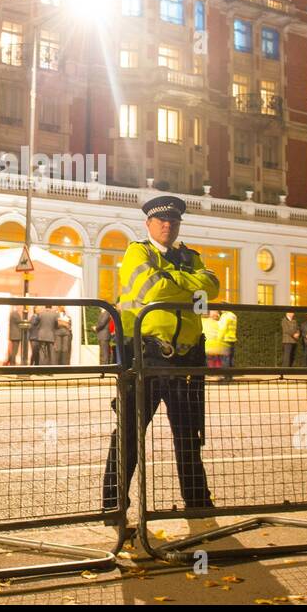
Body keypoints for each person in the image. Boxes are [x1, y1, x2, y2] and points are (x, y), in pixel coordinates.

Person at [103, 195, 217, 532]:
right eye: (161, 220)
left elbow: (209, 292)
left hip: (186, 357)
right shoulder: (138, 252)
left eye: (173, 220)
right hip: (147, 356)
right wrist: (187, 285)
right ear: (149, 224)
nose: (167, 224)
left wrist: (175, 283)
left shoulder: (191, 256)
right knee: (128, 433)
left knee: (188, 436)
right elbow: (151, 290)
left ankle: (198, 504)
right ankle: (113, 504)